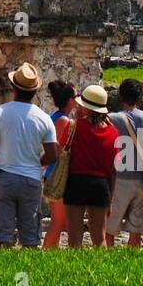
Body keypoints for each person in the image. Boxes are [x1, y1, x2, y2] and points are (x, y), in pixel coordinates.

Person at [0, 62, 58, 248]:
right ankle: (25, 275)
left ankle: (2, 273)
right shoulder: (44, 118)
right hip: (31, 179)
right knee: (31, 237)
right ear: (35, 90)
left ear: (14, 87)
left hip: (4, 177)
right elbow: (53, 153)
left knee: (1, 236)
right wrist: (39, 162)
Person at [105, 78, 143, 247]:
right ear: (140, 97)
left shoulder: (111, 119)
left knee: (109, 228)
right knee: (136, 230)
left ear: (121, 96)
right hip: (142, 179)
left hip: (119, 178)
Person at [60, 85, 119, 248]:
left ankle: (75, 270)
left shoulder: (74, 126)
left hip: (76, 181)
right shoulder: (113, 132)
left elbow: (61, 151)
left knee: (74, 237)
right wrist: (110, 199)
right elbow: (113, 170)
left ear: (85, 106)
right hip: (101, 184)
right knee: (100, 238)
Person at [41, 80, 77, 248]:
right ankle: (45, 252)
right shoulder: (64, 121)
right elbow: (59, 149)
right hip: (58, 174)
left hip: (52, 172)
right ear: (70, 100)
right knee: (59, 222)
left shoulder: (54, 117)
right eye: (76, 96)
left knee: (58, 220)